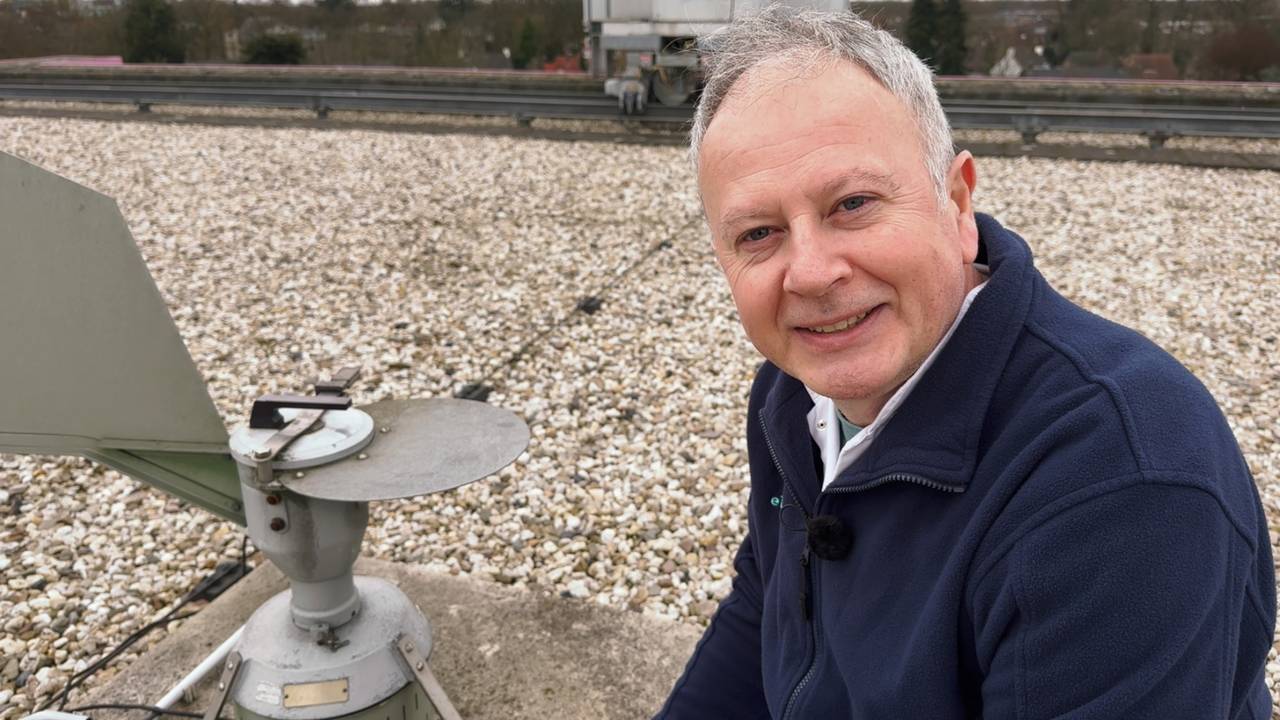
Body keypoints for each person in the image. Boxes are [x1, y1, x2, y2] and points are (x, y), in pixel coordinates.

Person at [658, 7, 1276, 719]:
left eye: (852, 204)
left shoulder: (1125, 484)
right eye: (759, 233)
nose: (810, 274)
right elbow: (763, 609)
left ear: (956, 204)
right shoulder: (793, 393)